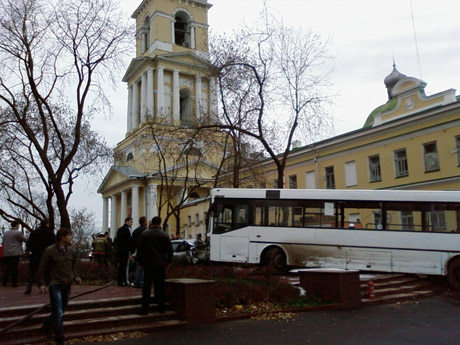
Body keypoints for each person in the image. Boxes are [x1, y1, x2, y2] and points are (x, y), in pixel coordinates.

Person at [37, 228, 81, 345]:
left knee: (62, 309)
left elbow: (73, 265)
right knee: (59, 313)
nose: (71, 238)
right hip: (55, 284)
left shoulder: (70, 250)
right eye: (69, 236)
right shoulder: (50, 251)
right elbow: (42, 269)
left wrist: (75, 276)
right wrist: (42, 284)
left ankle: (46, 326)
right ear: (63, 237)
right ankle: (60, 339)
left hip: (67, 284)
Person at [136, 216, 173, 315]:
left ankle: (144, 309)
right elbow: (170, 251)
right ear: (160, 223)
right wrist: (168, 262)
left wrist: (139, 263)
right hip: (160, 263)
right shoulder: (165, 235)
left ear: (152, 223)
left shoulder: (144, 234)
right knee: (160, 285)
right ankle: (161, 308)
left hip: (147, 263)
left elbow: (140, 250)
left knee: (146, 286)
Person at [24, 219, 55, 295]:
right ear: (47, 224)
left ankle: (29, 286)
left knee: (32, 271)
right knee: (46, 271)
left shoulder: (34, 232)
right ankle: (44, 286)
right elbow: (54, 244)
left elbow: (29, 243)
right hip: (46, 255)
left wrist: (33, 250)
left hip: (35, 254)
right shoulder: (50, 233)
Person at [2, 220, 27, 287]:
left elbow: (3, 242)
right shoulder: (17, 233)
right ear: (16, 225)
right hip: (15, 253)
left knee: (8, 268)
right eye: (18, 225)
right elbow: (25, 240)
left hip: (6, 253)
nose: (19, 226)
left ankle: (4, 282)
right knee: (14, 268)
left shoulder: (6, 233)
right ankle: (14, 283)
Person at [115, 217, 133, 286]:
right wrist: (131, 250)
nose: (131, 223)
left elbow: (117, 241)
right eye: (131, 222)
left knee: (121, 266)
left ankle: (120, 281)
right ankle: (126, 281)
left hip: (120, 251)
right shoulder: (128, 229)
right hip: (126, 251)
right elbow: (130, 240)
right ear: (127, 222)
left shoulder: (119, 229)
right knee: (126, 267)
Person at [131, 216, 148, 288]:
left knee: (138, 267)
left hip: (137, 251)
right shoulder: (146, 231)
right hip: (144, 251)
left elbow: (133, 241)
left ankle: (136, 282)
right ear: (144, 222)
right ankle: (142, 282)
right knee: (144, 268)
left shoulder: (135, 231)